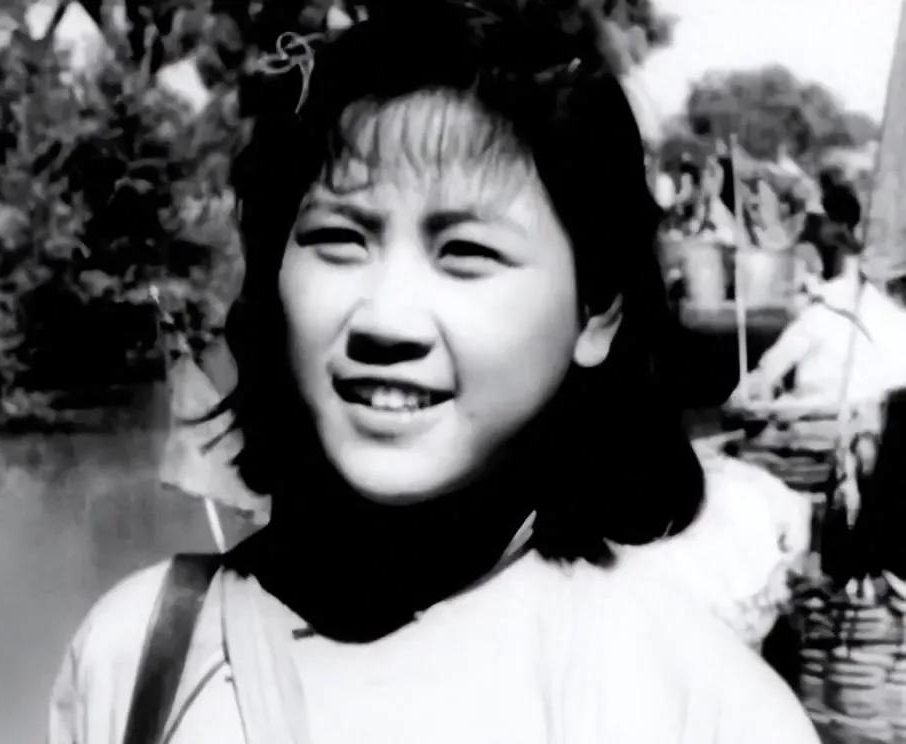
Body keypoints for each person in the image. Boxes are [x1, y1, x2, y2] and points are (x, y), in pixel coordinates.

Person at [49, 3, 819, 742]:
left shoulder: (701, 708)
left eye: (466, 254)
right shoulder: (141, 659)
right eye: (340, 239)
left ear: (596, 312)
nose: (386, 319)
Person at [734, 226, 906, 408]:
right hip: (854, 417)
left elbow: (756, 386)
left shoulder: (823, 311)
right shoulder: (830, 310)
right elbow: (761, 381)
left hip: (823, 415)